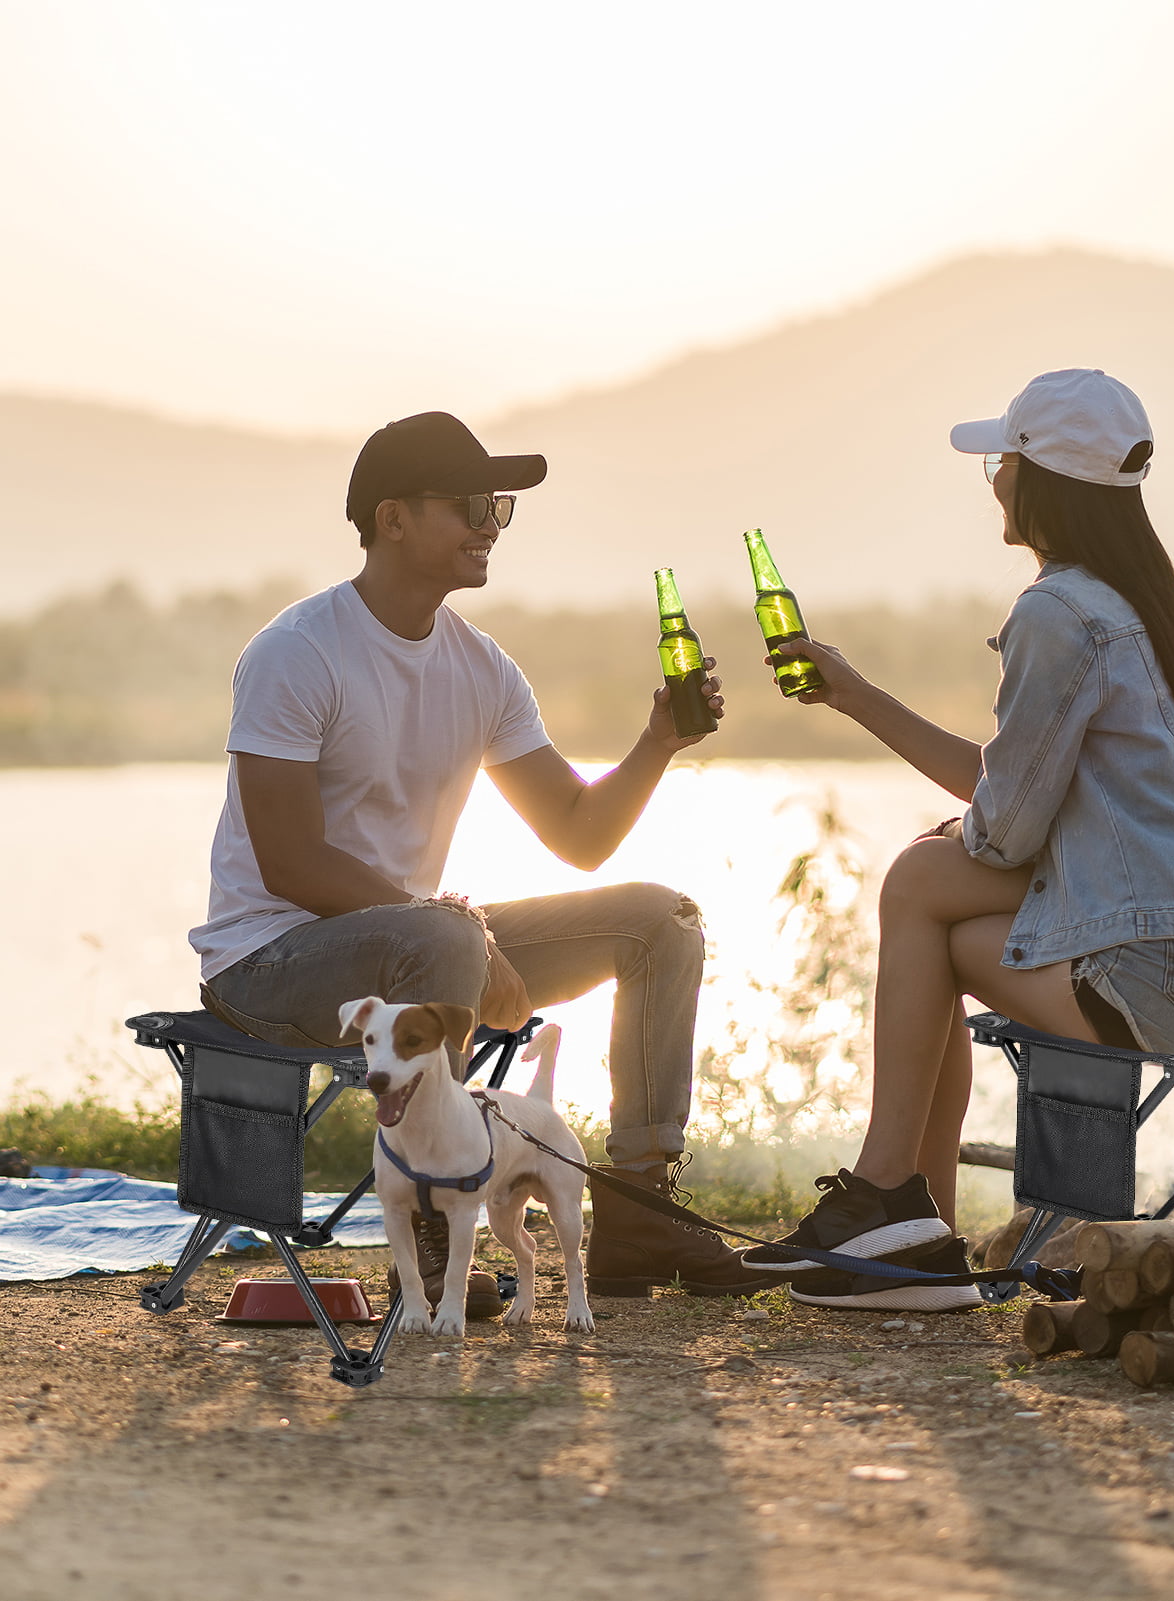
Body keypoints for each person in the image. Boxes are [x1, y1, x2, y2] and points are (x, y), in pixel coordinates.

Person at [190, 410, 770, 1314]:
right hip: (268, 963)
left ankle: (638, 1210)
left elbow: (578, 832)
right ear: (392, 518)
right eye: (469, 505)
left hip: (424, 953)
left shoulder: (483, 667)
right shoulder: (296, 652)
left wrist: (656, 743)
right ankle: (428, 1238)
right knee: (447, 937)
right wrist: (459, 930)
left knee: (661, 923)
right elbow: (291, 864)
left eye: (497, 507)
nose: (490, 524)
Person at [740, 368, 1174, 1311]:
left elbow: (1001, 831)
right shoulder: (1141, 601)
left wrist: (962, 832)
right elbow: (1012, 796)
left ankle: (890, 1205)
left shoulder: (1059, 611)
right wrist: (857, 696)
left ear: (1040, 480)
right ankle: (910, 1229)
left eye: (1001, 460)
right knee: (934, 914)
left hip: (1165, 972)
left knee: (918, 880)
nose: (992, 478)